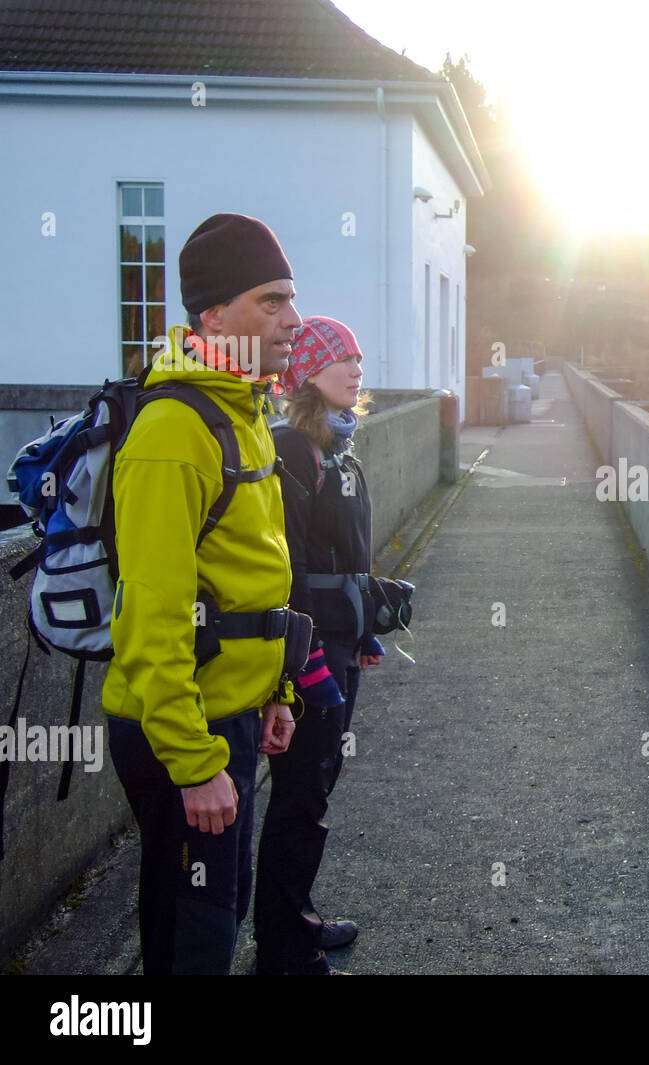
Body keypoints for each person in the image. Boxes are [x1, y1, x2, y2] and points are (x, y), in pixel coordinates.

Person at [102, 213, 307, 975]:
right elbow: (151, 621)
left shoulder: (243, 408)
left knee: (215, 912)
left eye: (292, 299)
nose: (294, 320)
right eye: (273, 301)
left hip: (230, 711)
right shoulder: (172, 430)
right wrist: (193, 763)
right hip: (182, 726)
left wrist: (277, 687)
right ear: (213, 314)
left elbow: (255, 573)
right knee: (196, 937)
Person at [253, 316, 384, 976]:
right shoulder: (289, 450)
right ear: (307, 370)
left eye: (360, 357)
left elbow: (348, 555)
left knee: (316, 790)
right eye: (343, 357)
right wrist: (307, 668)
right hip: (308, 659)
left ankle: (296, 917)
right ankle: (281, 948)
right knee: (299, 794)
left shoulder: (340, 448)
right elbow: (291, 569)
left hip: (339, 646)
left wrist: (366, 628)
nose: (357, 367)